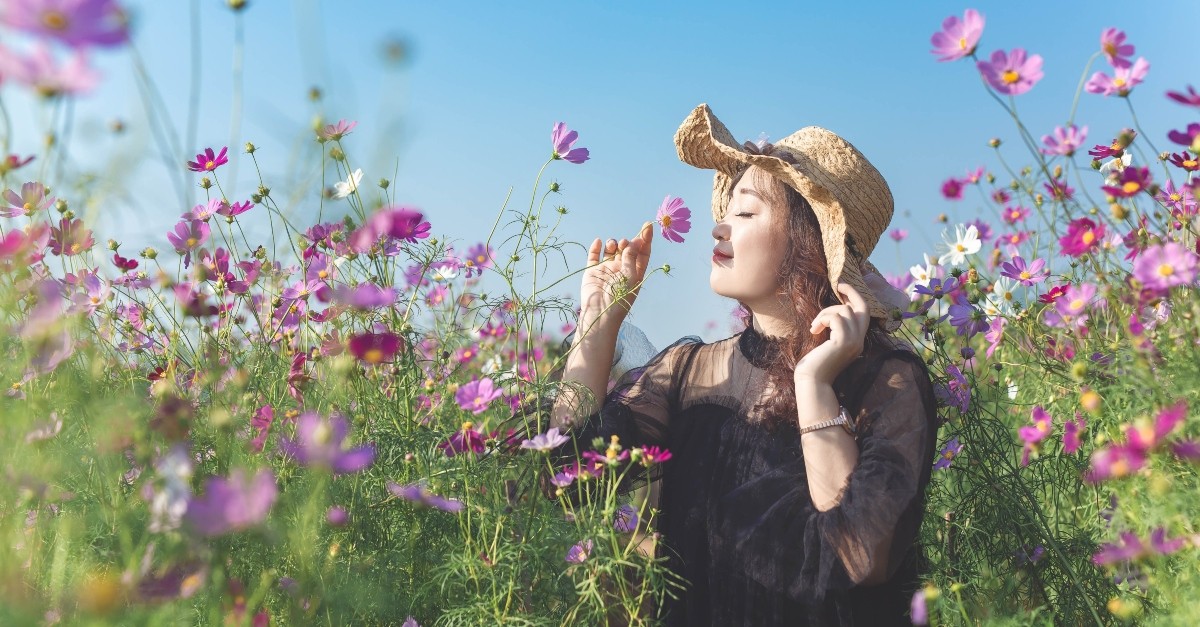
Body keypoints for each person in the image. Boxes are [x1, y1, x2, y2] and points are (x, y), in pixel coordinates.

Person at [549, 103, 938, 625]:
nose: (720, 229)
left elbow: (858, 556)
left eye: (747, 212)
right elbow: (568, 477)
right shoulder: (688, 373)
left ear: (811, 238)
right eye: (725, 213)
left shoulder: (884, 380)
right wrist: (597, 324)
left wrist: (814, 384)